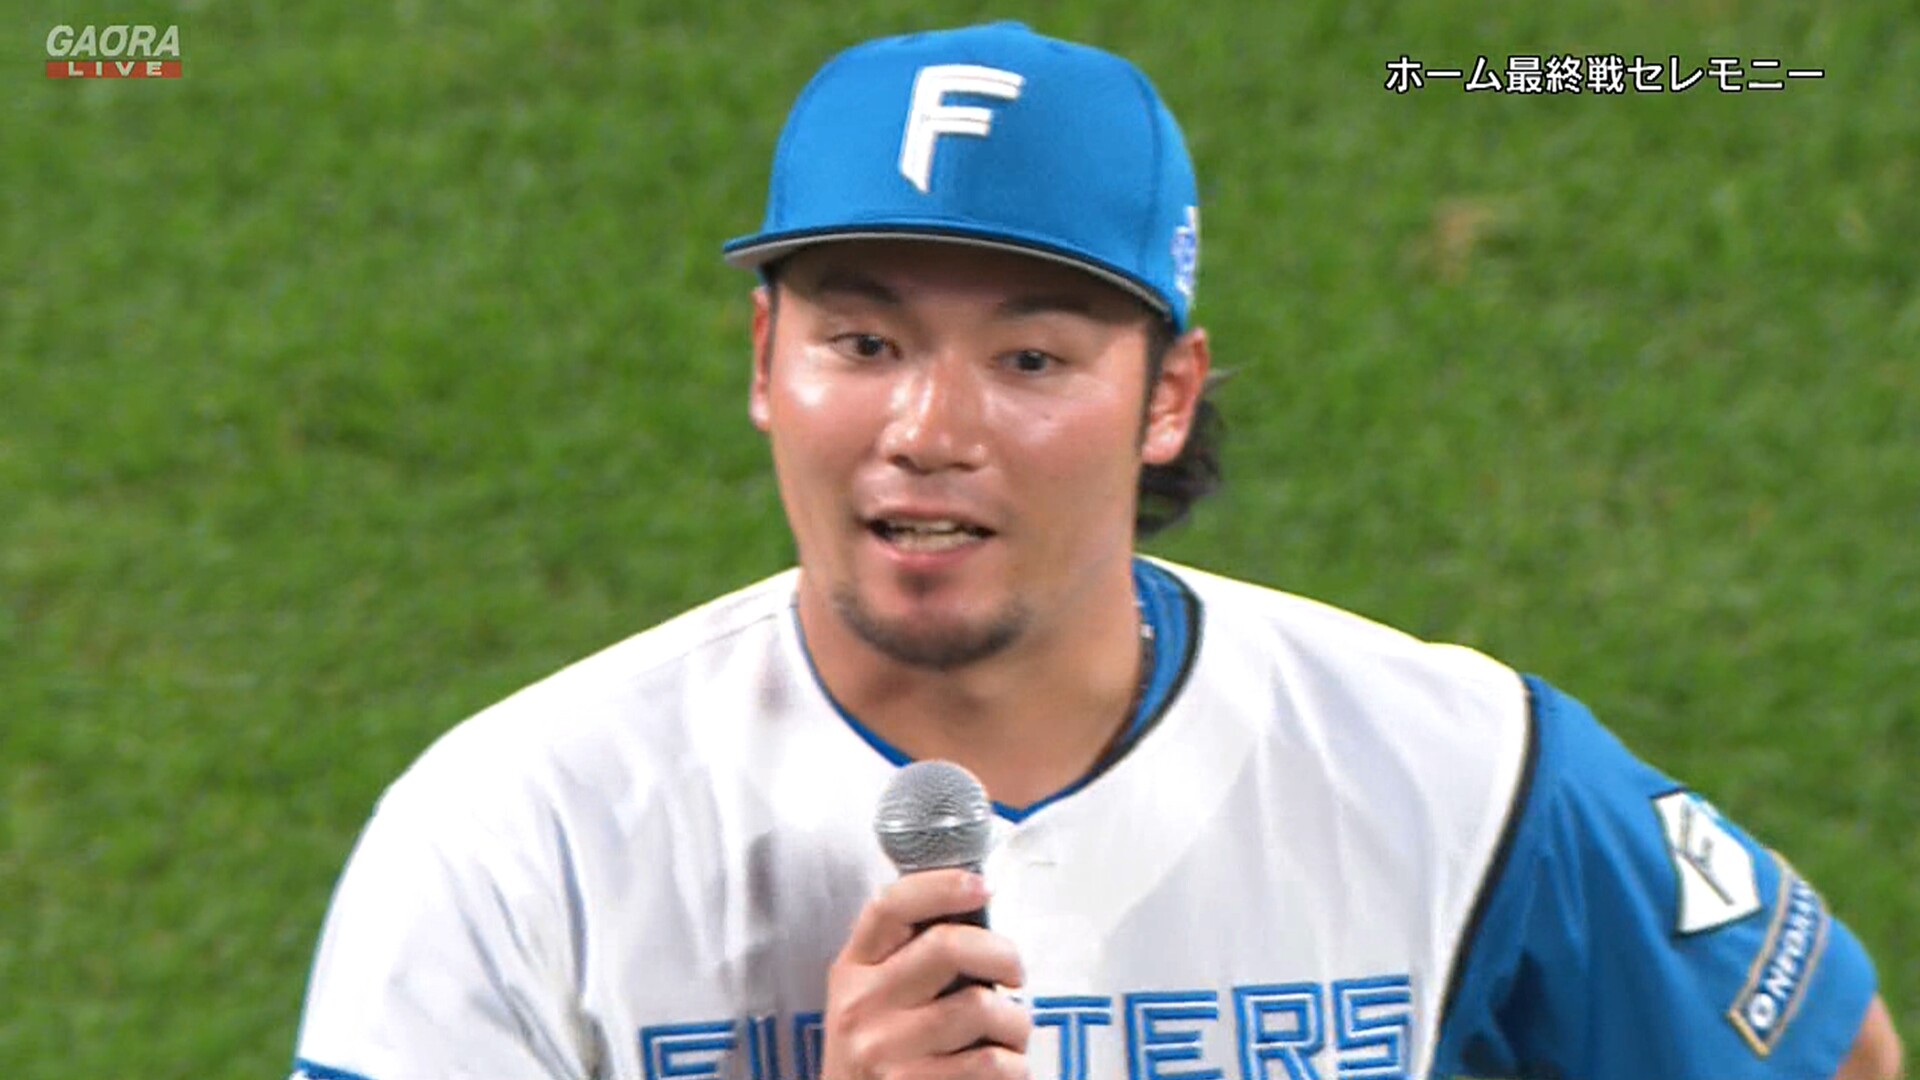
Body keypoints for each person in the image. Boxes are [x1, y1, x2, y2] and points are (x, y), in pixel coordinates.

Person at [288, 21, 1901, 1080]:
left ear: (1166, 398)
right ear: (765, 360)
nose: (930, 426)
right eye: (863, 341)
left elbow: (1836, 1056)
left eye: (1032, 357)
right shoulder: (512, 836)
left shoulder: (1456, 770)